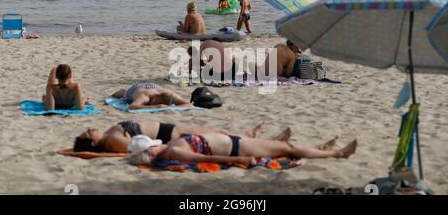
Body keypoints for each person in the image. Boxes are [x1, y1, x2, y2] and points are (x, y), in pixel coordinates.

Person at [132, 132, 357, 166]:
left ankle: (321, 148)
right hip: (237, 149)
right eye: (152, 146)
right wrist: (239, 161)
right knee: (289, 149)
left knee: (287, 147)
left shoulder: (169, 147)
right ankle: (338, 153)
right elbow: (204, 157)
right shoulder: (173, 153)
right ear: (151, 152)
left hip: (236, 141)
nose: (156, 143)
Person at [73, 121, 292, 153]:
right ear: (93, 142)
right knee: (214, 134)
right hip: (167, 135)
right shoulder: (112, 141)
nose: (90, 128)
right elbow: (135, 147)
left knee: (212, 130)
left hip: (167, 129)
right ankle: (273, 143)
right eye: (87, 132)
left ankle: (247, 135)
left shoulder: (109, 136)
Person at [111, 83, 192, 109]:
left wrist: (173, 107)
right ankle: (122, 91)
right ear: (156, 97)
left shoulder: (170, 95)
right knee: (122, 95)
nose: (154, 103)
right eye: (156, 102)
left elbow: (189, 104)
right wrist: (156, 106)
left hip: (155, 86)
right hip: (136, 89)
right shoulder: (145, 97)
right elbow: (132, 106)